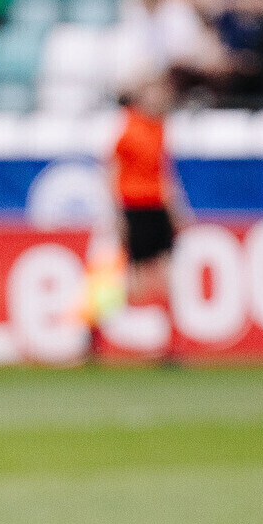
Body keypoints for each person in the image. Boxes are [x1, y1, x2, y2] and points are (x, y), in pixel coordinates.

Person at [94, 76, 194, 356]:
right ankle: (98, 329)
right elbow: (112, 171)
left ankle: (171, 344)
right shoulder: (127, 126)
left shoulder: (160, 127)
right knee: (136, 281)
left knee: (165, 276)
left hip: (157, 208)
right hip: (134, 207)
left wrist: (177, 209)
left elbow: (164, 172)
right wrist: (116, 213)